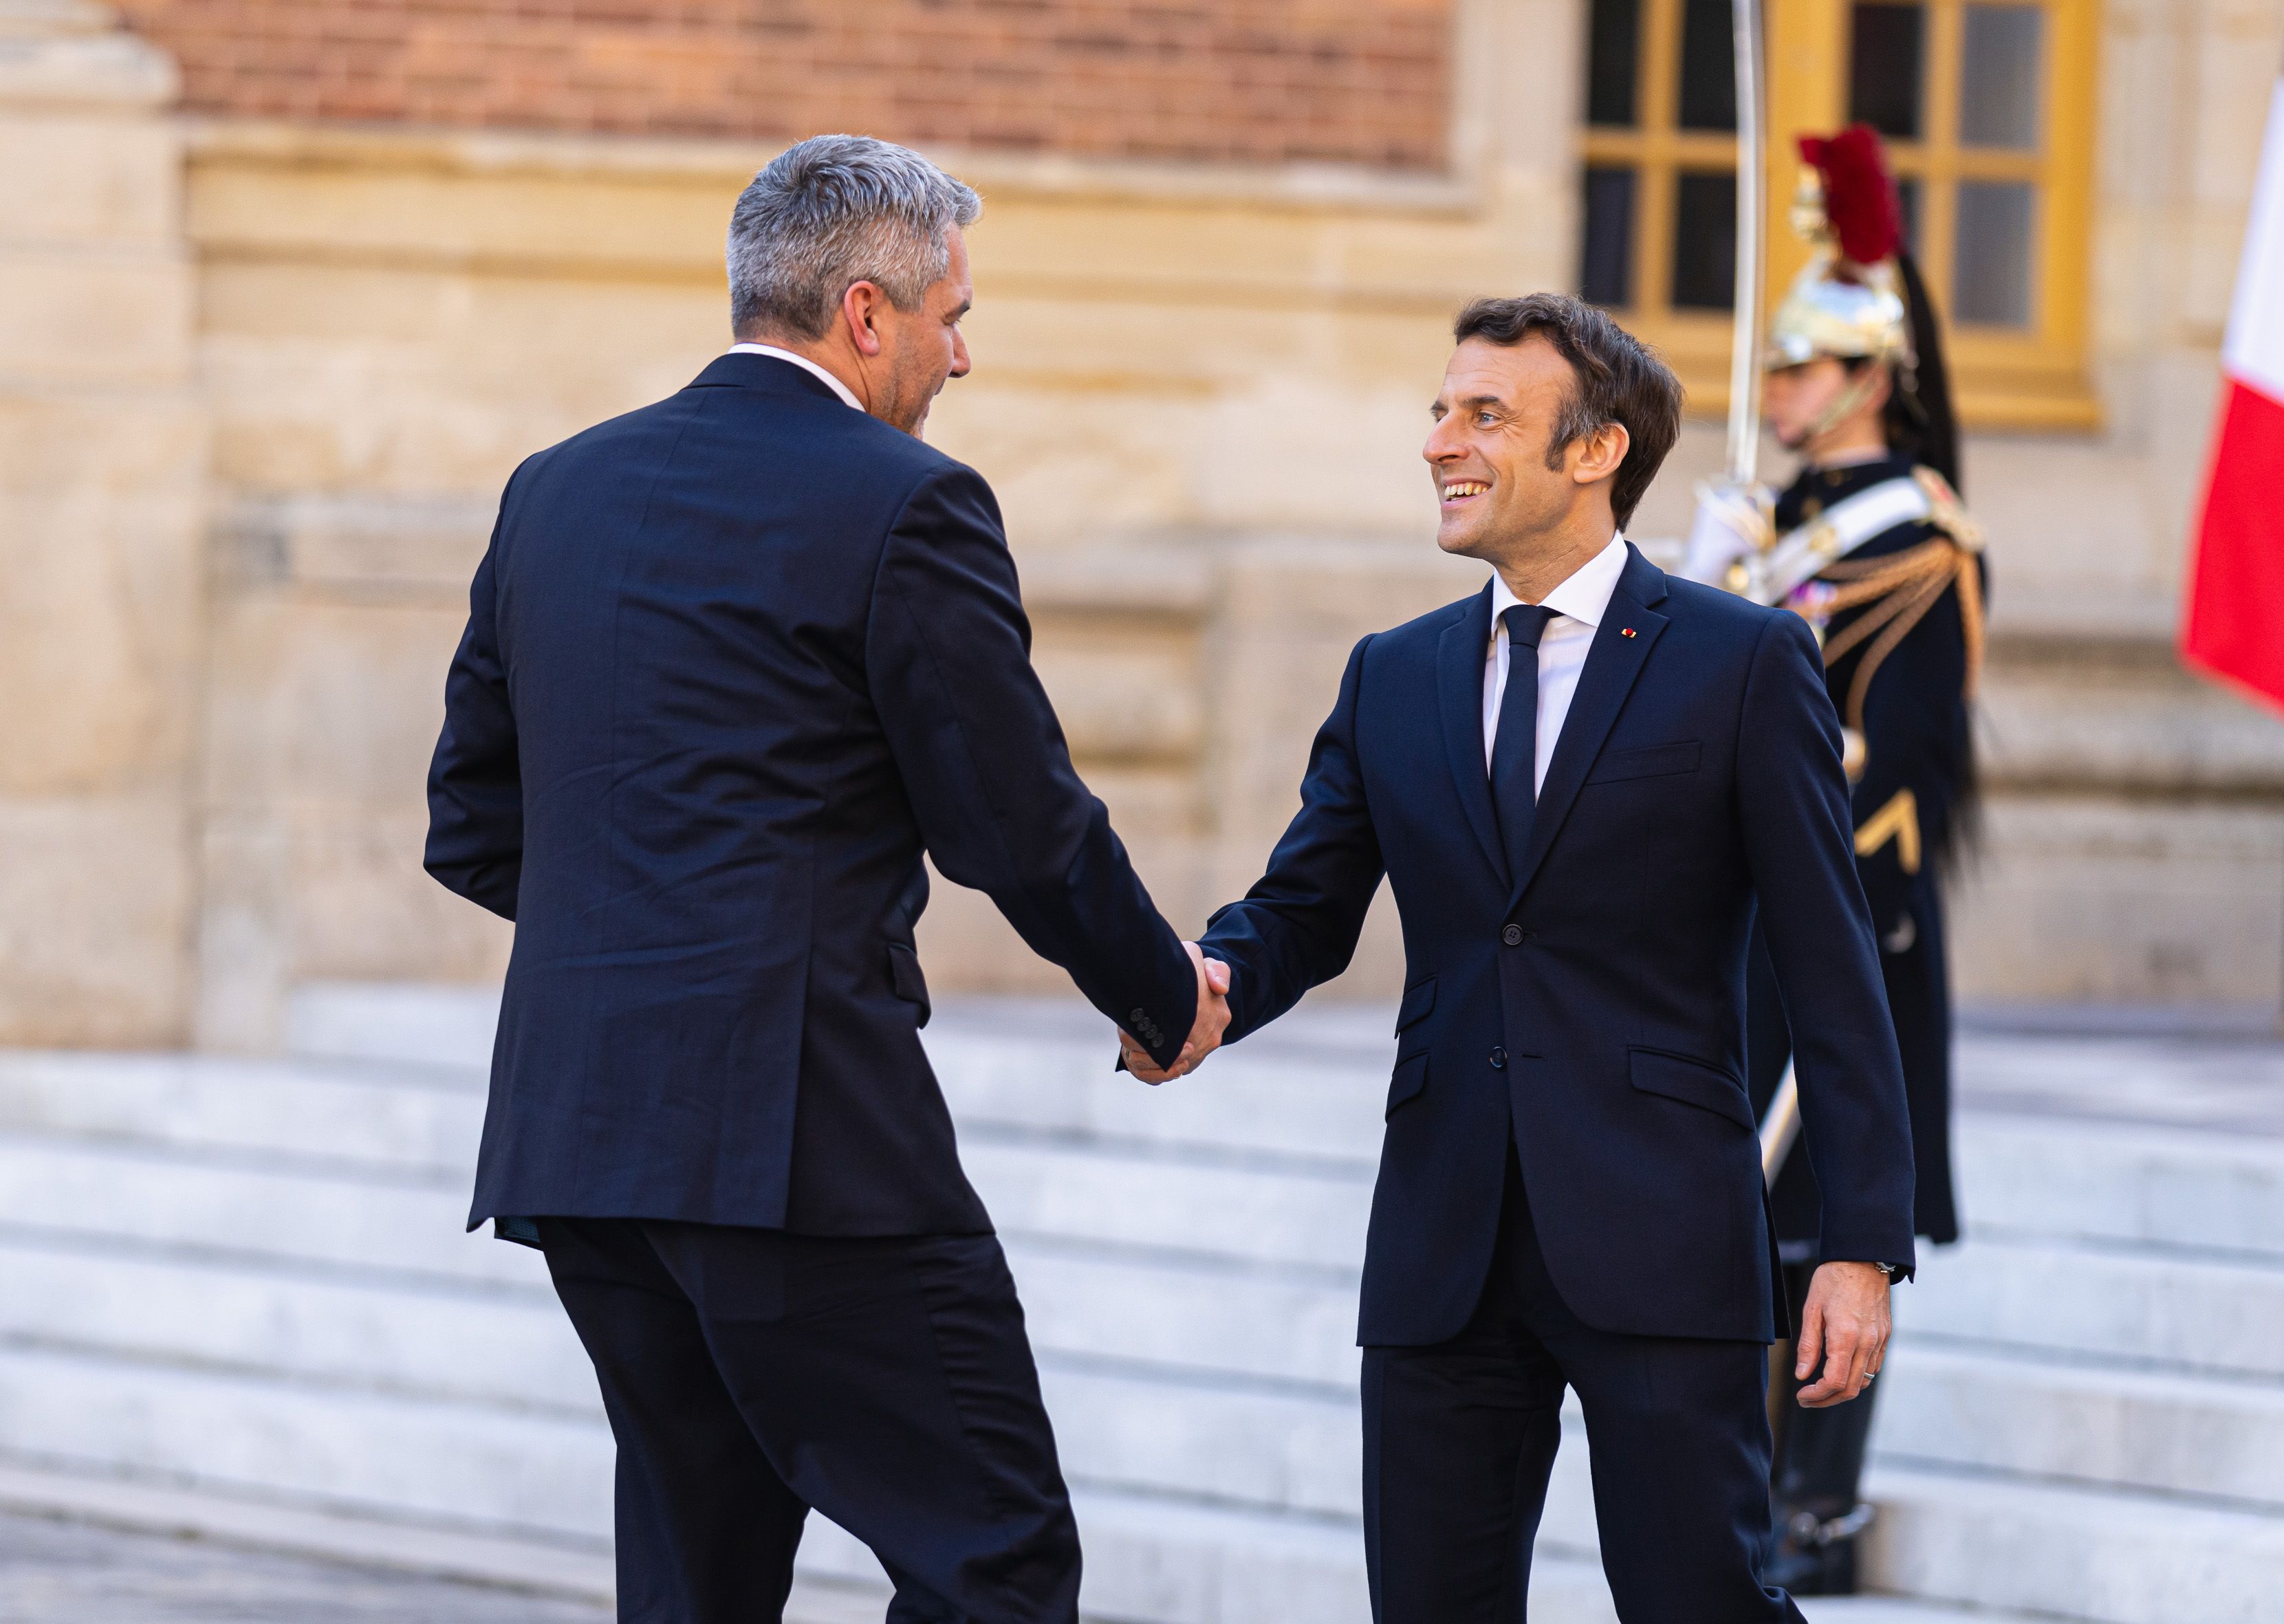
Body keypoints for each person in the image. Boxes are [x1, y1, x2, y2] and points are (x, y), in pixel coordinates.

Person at [424, 135, 1228, 1624]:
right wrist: (1161, 989)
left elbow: (471, 818)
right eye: (952, 316)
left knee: (695, 1582)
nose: (962, 354)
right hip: (793, 1133)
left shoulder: (555, 488)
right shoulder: (908, 500)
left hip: (580, 1132)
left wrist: (653, 938)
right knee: (993, 1555)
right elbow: (1017, 823)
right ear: (866, 313)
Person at [1122, 293, 1916, 1622]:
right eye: (1442, 410)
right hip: (1443, 1241)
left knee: (1701, 1604)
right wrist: (1187, 992)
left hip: (1662, 1229)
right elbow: (1300, 910)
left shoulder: (1743, 660)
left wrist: (1861, 1242)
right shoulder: (1393, 673)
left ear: (1596, 450)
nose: (1442, 441)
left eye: (1485, 414)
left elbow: (1832, 970)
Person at [1715, 127, 1985, 1596]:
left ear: (1869, 376)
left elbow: (1896, 768)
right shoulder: (1770, 524)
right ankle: (1739, 1483)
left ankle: (1814, 1495)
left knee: (1835, 1209)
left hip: (1846, 914)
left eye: (1800, 370)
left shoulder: (1920, 541)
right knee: (1738, 1211)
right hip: (1739, 916)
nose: (1774, 394)